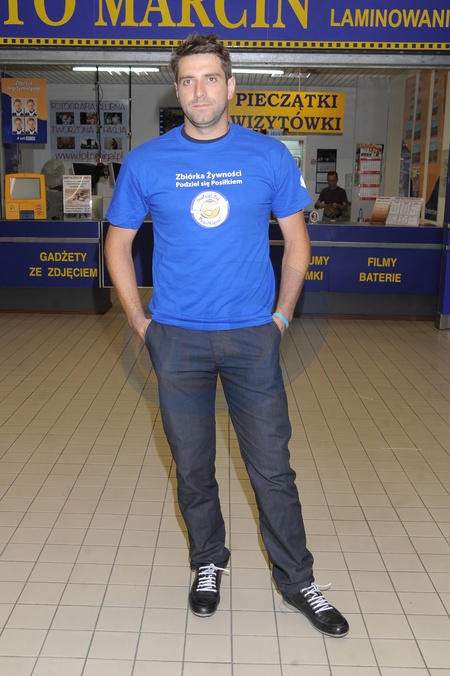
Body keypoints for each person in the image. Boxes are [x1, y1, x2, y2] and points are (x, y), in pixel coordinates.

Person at [105, 33, 349, 638]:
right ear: (177, 89)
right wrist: (140, 323)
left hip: (251, 340)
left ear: (231, 85)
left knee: (272, 469)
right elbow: (117, 244)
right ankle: (208, 561)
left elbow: (298, 242)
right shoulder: (147, 162)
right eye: (188, 80)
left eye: (210, 78)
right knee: (193, 468)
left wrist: (281, 319)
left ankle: (298, 580)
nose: (199, 91)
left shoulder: (268, 156)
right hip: (176, 341)